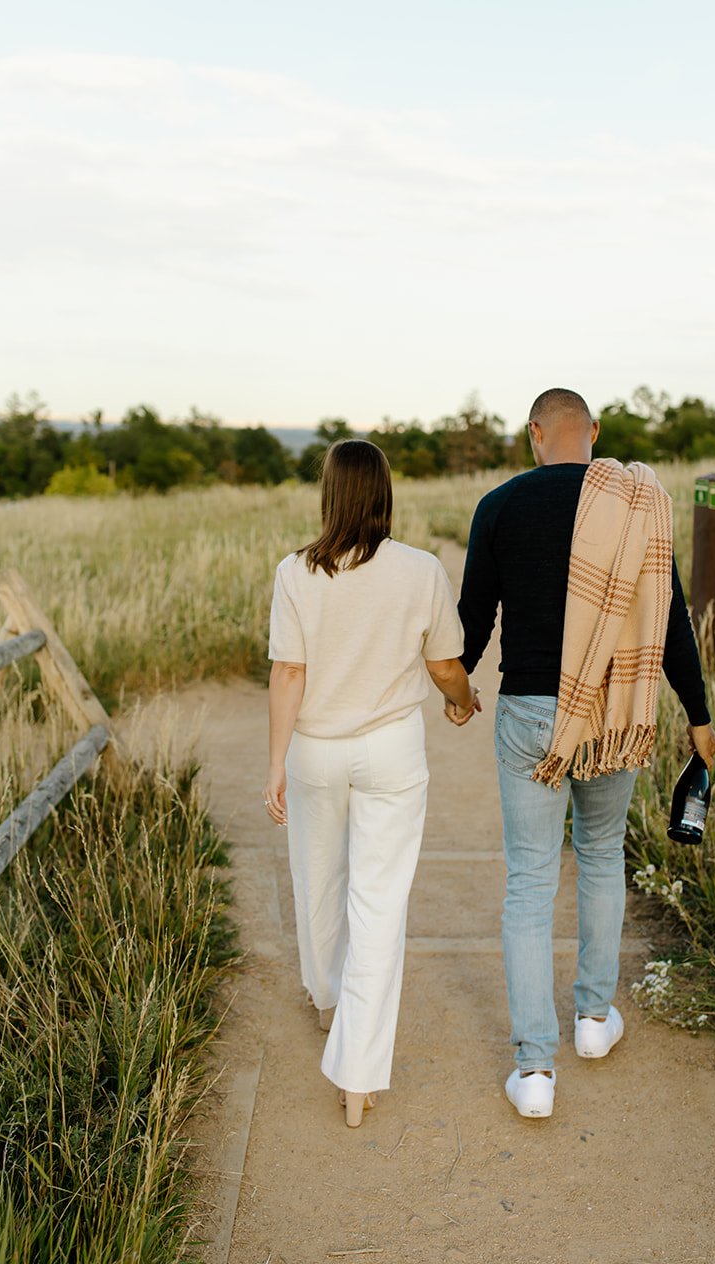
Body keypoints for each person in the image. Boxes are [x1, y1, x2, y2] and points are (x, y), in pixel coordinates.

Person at [452, 387, 715, 1119]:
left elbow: (472, 621)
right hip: (614, 713)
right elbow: (668, 621)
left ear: (533, 433)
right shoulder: (637, 506)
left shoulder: (500, 505)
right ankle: (595, 1020)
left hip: (529, 712)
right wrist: (697, 714)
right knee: (601, 855)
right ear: (593, 432)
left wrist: (458, 688)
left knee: (529, 883)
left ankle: (535, 1070)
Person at [262, 439, 479, 1128]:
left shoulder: (295, 572)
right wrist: (462, 700)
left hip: (315, 750)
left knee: (317, 880)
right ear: (385, 493)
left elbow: (288, 672)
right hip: (391, 751)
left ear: (328, 494)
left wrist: (275, 763)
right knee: (379, 904)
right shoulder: (420, 569)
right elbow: (444, 664)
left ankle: (329, 998)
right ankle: (358, 1076)